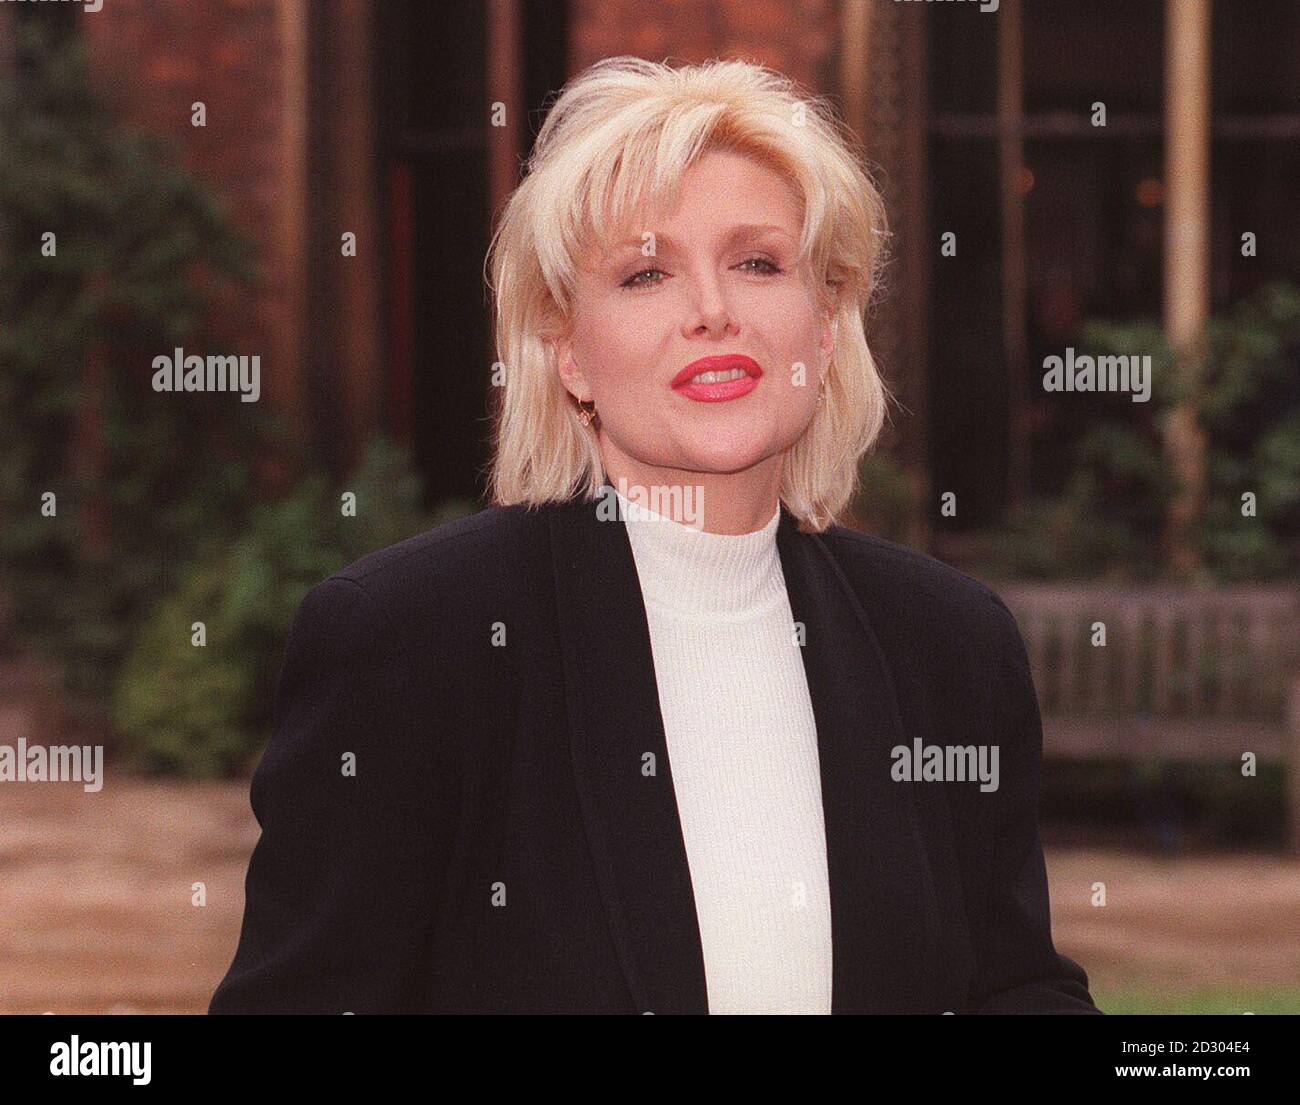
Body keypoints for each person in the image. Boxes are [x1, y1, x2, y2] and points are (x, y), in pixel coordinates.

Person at [209, 55, 1101, 1015]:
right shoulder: (412, 641)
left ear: (828, 323)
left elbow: (1012, 986)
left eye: (757, 263)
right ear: (569, 355)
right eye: (645, 274)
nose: (712, 310)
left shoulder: (950, 643)